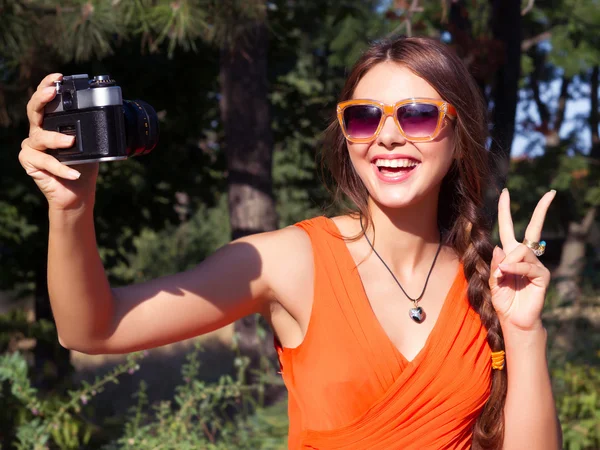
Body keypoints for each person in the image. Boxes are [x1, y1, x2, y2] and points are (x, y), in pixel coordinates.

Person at [19, 36, 561, 450]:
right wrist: (71, 210)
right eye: (365, 116)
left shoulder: (491, 280)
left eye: (418, 116)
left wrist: (523, 330)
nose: (388, 136)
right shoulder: (291, 262)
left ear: (458, 132)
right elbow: (91, 328)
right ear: (346, 134)